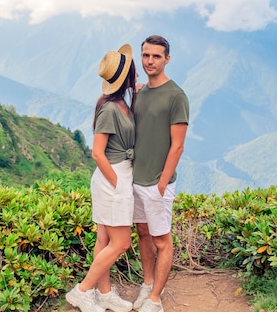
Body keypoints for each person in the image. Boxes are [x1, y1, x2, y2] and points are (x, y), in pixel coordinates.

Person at [66, 44, 137, 312]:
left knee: (104, 240)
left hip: (118, 175)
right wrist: (118, 184)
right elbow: (97, 153)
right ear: (126, 76)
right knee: (121, 243)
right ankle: (83, 291)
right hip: (113, 177)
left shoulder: (122, 103)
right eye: (134, 71)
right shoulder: (109, 109)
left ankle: (105, 294)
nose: (138, 73)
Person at [132, 35, 189, 312]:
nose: (150, 61)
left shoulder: (176, 96)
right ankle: (147, 284)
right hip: (136, 179)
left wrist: (163, 182)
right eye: (145, 55)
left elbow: (177, 145)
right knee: (143, 232)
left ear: (167, 59)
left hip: (157, 182)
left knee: (162, 240)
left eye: (156, 56)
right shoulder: (141, 92)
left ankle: (155, 300)